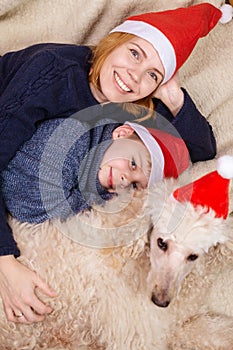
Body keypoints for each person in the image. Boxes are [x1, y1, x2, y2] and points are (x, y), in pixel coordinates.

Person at [0, 3, 224, 323]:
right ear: (115, 40)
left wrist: (175, 99)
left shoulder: (133, 105)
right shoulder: (51, 74)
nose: (134, 75)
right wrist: (5, 262)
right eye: (135, 53)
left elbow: (203, 149)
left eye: (153, 74)